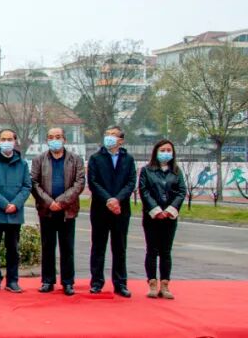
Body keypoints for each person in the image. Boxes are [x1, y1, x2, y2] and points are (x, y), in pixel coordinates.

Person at [30, 127, 85, 296]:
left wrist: (61, 202)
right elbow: (34, 183)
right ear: (47, 140)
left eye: (58, 137)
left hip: (67, 210)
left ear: (64, 139)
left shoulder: (75, 160)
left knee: (67, 247)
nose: (55, 140)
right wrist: (49, 202)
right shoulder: (39, 160)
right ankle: (48, 281)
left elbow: (79, 183)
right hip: (46, 210)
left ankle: (68, 282)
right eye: (51, 137)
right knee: (47, 247)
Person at [88, 126, 136, 298]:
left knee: (120, 247)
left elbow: (131, 182)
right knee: (98, 247)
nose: (109, 137)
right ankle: (96, 282)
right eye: (107, 134)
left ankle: (120, 283)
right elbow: (93, 182)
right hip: (100, 208)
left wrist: (117, 199)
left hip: (121, 209)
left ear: (121, 140)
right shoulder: (96, 158)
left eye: (113, 135)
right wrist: (108, 199)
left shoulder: (128, 159)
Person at [0, 128, 31, 293]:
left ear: (15, 141)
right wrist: (5, 204)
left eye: (9, 139)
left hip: (15, 214)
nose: (6, 142)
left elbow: (26, 186)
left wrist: (15, 204)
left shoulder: (23, 164)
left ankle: (12, 280)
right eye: (3, 139)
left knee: (13, 249)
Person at [138, 140, 186, 299]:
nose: (166, 153)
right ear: (156, 152)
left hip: (169, 217)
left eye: (168, 150)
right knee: (152, 250)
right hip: (152, 217)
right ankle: (152, 283)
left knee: (166, 251)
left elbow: (181, 192)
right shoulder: (147, 171)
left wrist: (171, 209)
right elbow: (144, 191)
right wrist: (156, 210)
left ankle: (165, 285)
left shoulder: (177, 171)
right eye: (162, 150)